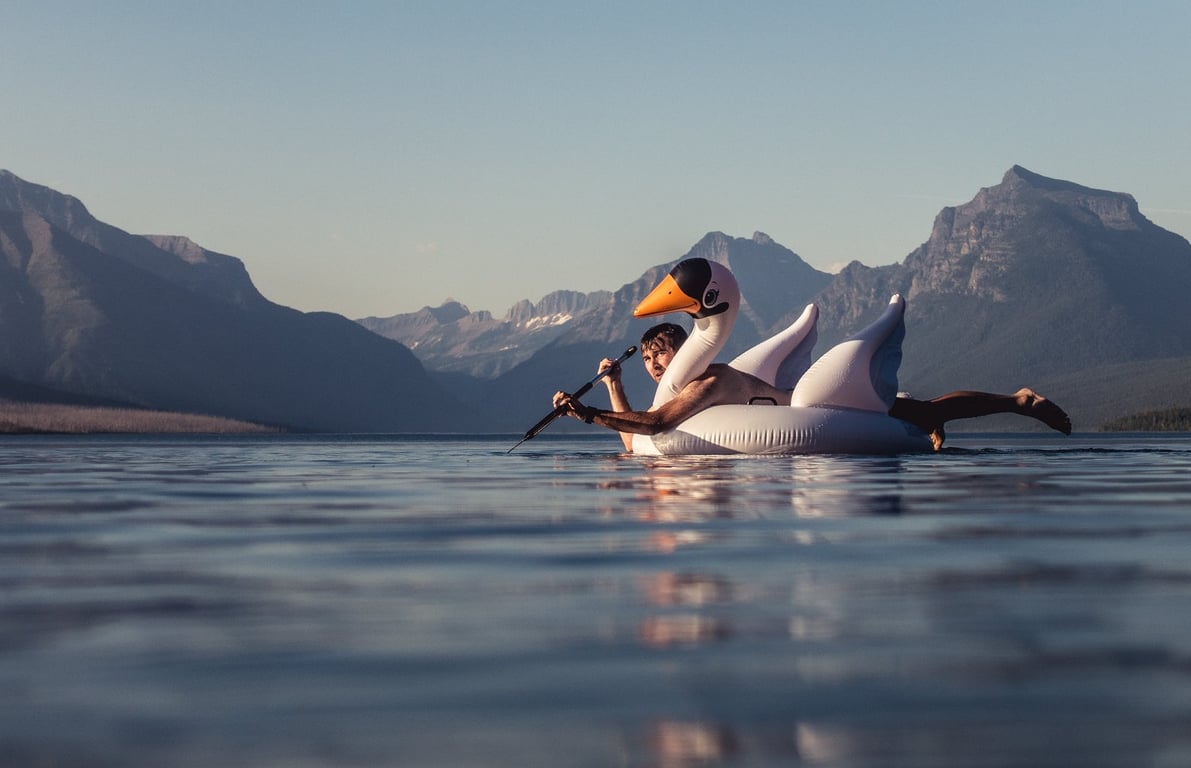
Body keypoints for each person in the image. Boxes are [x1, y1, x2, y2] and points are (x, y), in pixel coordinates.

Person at [554, 323, 1072, 452]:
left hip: (829, 409)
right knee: (927, 414)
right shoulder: (675, 389)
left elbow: (659, 425)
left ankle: (1017, 401)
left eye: (660, 353)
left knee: (931, 411)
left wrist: (587, 413)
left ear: (687, 346)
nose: (653, 363)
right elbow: (638, 440)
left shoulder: (707, 379)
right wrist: (613, 389)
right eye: (645, 358)